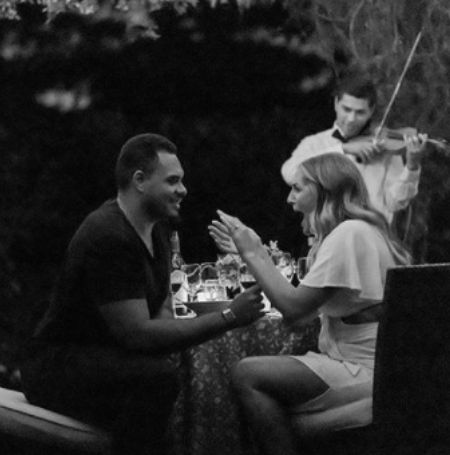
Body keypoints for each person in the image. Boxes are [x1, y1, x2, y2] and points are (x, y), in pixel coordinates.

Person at [20, 133, 265, 455]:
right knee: (157, 378)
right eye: (172, 181)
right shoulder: (108, 236)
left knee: (176, 368)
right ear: (139, 180)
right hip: (60, 367)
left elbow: (162, 310)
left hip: (108, 358)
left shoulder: (156, 228)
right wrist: (229, 316)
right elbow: (137, 334)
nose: (183, 190)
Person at [208, 152, 411, 455]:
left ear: (324, 190)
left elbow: (294, 311)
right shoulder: (354, 232)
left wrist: (254, 254)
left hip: (368, 371)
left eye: (297, 188)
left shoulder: (349, 234)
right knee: (271, 410)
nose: (289, 198)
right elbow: (303, 313)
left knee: (246, 374)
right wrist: (253, 256)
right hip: (368, 364)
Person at [281, 72, 427, 224]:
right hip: (329, 235)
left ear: (371, 111)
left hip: (371, 235)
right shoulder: (315, 143)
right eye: (346, 109)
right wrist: (343, 149)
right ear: (336, 103)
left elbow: (396, 202)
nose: (351, 119)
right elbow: (290, 174)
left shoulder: (384, 148)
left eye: (360, 112)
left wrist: (412, 166)